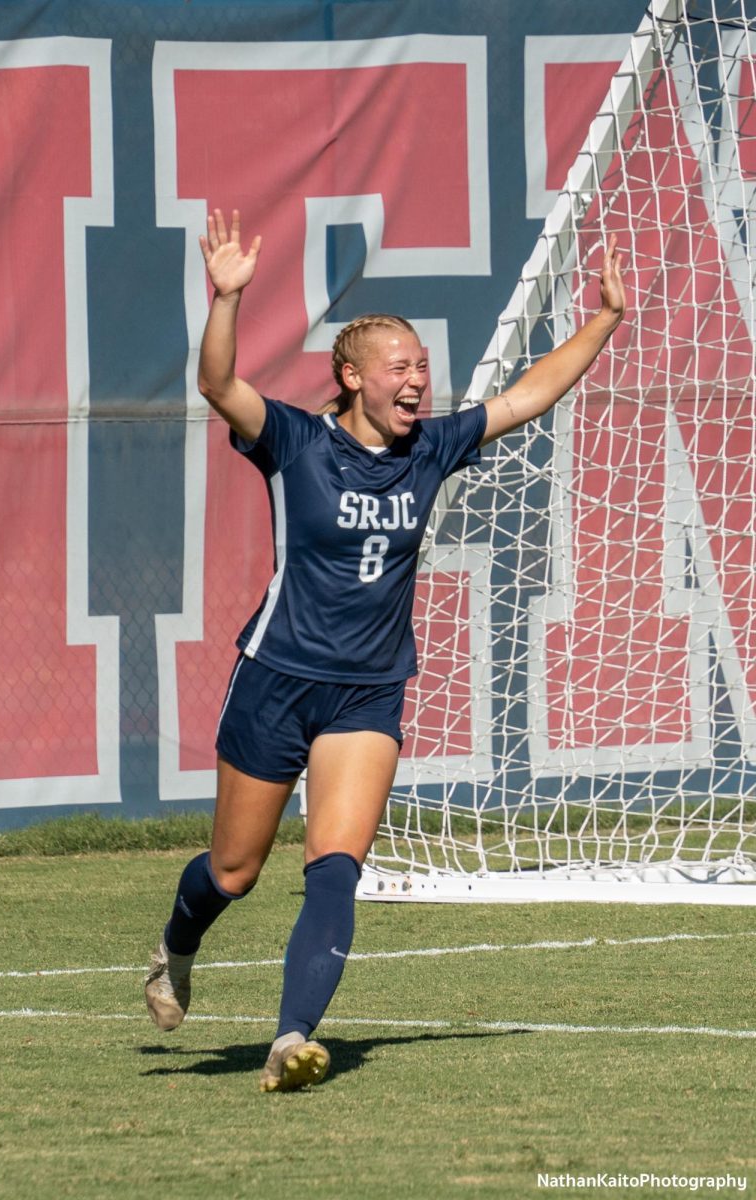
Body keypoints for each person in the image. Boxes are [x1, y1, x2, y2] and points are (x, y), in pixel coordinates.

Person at [145, 209, 626, 1092]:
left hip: (368, 690)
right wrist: (226, 299)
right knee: (235, 871)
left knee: (336, 864)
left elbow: (525, 397)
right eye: (399, 367)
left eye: (421, 366)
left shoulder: (431, 448)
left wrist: (601, 321)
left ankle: (292, 1040)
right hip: (277, 679)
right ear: (352, 376)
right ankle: (177, 944)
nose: (418, 380)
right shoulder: (294, 441)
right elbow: (218, 383)